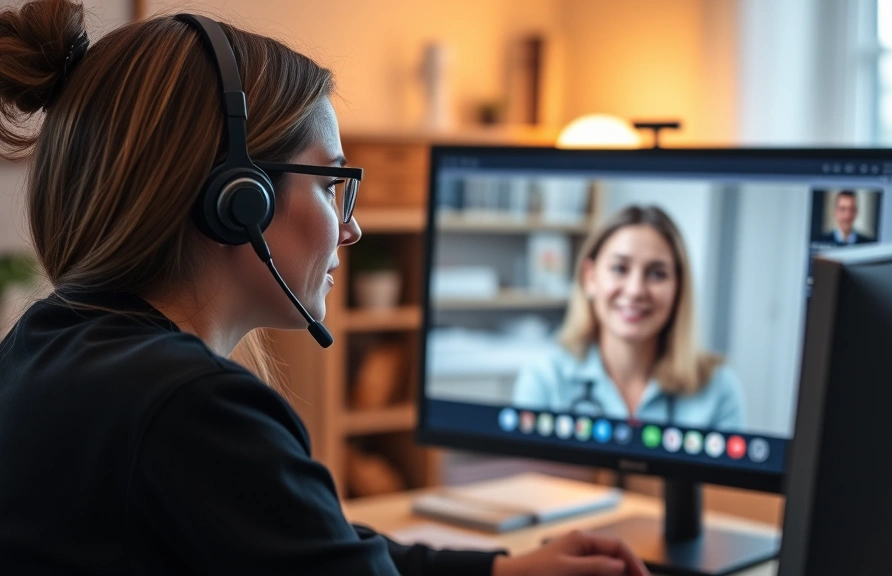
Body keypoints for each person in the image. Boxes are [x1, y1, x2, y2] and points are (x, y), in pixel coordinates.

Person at [0, 2, 649, 575]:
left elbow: (312, 543)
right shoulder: (192, 406)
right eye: (331, 185)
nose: (352, 227)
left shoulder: (47, 341)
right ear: (238, 200)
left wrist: (502, 571)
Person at [512, 205, 745, 431]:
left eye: (656, 274)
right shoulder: (545, 379)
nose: (635, 290)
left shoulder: (718, 388)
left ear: (679, 287)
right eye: (620, 268)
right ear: (590, 278)